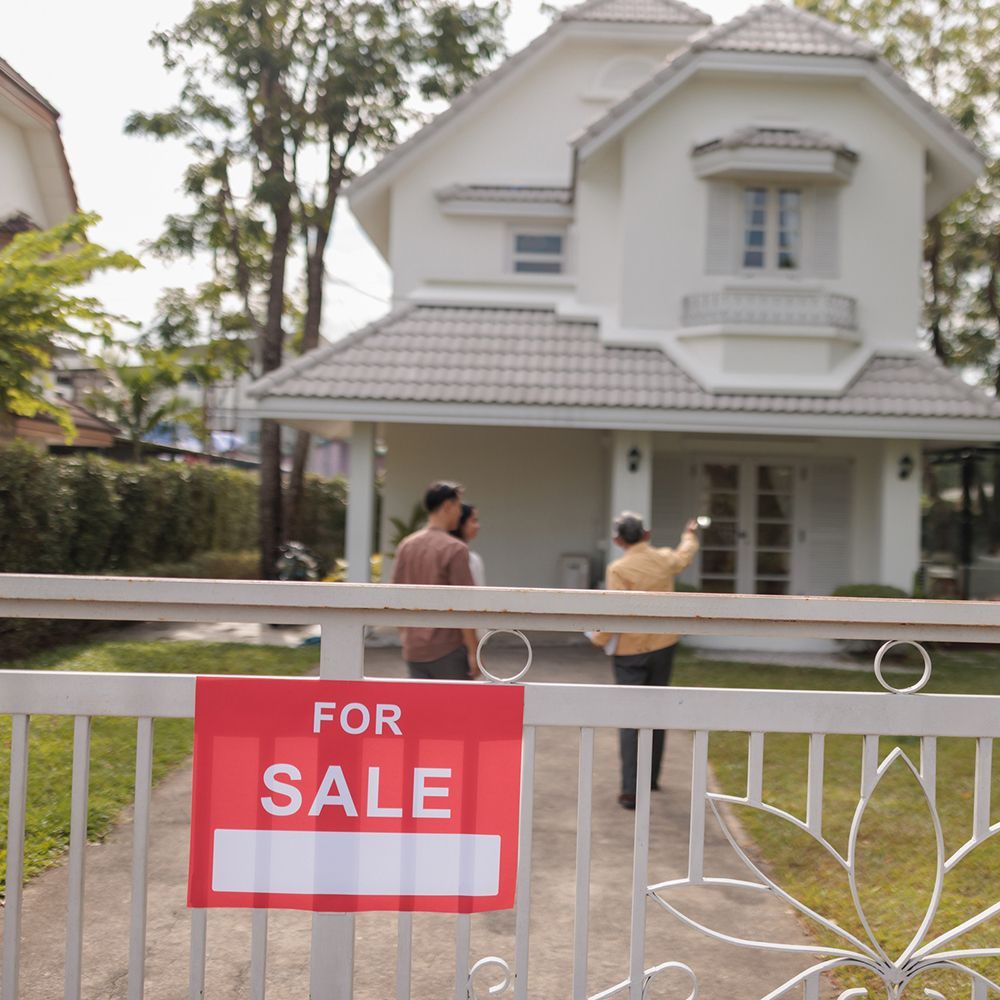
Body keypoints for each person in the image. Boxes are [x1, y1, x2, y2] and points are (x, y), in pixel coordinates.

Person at [591, 512, 700, 810]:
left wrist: (598, 639)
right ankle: (650, 778)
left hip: (630, 651)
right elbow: (684, 555)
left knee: (631, 718)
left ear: (617, 540)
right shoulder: (663, 559)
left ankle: (630, 790)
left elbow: (616, 612)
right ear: (647, 534)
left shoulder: (618, 569)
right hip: (664, 645)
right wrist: (689, 534)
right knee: (657, 711)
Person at [390, 481, 479, 679]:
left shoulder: (407, 545)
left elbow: (394, 595)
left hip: (413, 649)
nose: (459, 512)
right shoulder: (455, 548)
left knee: (421, 700)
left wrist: (406, 634)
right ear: (447, 506)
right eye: (457, 506)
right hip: (448, 649)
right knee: (455, 700)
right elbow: (465, 603)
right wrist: (474, 651)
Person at [449, 504, 485, 586]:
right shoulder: (449, 555)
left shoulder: (474, 559)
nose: (478, 526)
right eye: (473, 521)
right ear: (460, 523)